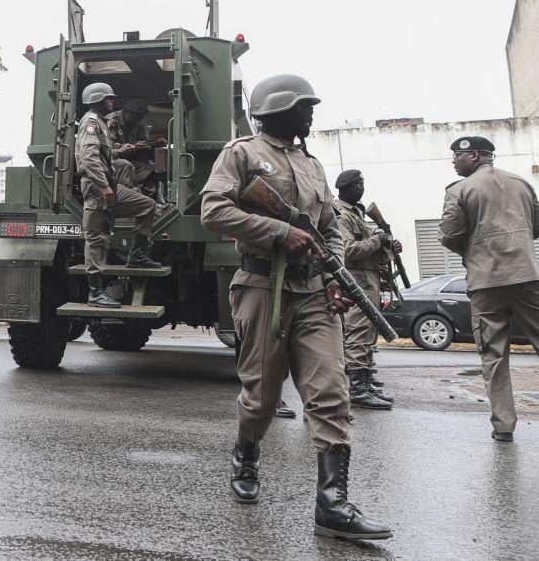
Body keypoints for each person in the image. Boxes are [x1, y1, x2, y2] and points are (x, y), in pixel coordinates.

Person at [200, 73, 391, 540]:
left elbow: (328, 230)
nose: (311, 113)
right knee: (262, 398)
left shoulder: (313, 165)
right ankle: (246, 452)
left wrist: (334, 275)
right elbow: (213, 210)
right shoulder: (242, 153)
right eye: (305, 105)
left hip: (312, 294)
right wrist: (281, 233)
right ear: (281, 109)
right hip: (262, 287)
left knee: (331, 394)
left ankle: (332, 504)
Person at [439, 136, 539, 443]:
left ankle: (503, 427)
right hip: (527, 277)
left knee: (494, 356)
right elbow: (537, 229)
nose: (453, 162)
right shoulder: (521, 183)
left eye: (456, 156)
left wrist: (474, 249)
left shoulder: (459, 190)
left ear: (473, 156)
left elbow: (449, 235)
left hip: (486, 282)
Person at [75, 83, 161, 308]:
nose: (112, 102)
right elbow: (89, 158)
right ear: (98, 100)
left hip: (109, 184)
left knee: (147, 206)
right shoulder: (91, 122)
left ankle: (137, 256)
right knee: (96, 238)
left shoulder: (102, 123)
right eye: (108, 99)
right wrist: (104, 186)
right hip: (96, 188)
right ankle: (95, 293)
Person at [334, 169, 397, 410]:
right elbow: (348, 250)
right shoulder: (341, 214)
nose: (361, 188)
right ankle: (357, 389)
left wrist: (388, 246)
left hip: (368, 278)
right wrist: (377, 240)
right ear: (344, 188)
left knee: (368, 332)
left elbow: (370, 249)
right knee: (359, 331)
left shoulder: (357, 213)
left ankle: (366, 383)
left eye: (362, 183)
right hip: (355, 280)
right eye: (356, 184)